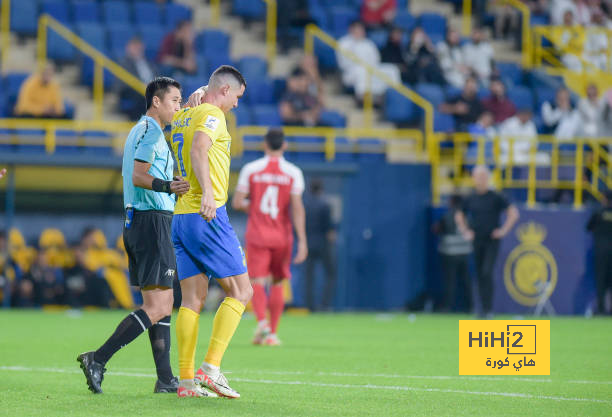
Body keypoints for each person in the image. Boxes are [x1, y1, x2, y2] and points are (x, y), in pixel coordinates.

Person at [77, 77, 189, 394]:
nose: (178, 106)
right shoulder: (152, 131)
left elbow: (142, 173)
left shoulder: (139, 130)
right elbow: (140, 175)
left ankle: (165, 379)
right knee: (158, 306)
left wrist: (169, 184)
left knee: (160, 304)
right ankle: (97, 358)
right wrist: (169, 187)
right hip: (152, 223)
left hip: (139, 221)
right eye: (175, 100)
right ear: (157, 101)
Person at [170, 65, 251, 398]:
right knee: (242, 291)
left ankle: (187, 381)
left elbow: (188, 143)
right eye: (237, 98)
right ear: (226, 91)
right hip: (207, 214)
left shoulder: (183, 116)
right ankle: (211, 368)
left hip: (180, 217)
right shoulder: (213, 114)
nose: (236, 106)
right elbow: (199, 148)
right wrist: (206, 192)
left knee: (192, 299)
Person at [232, 128, 308, 346]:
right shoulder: (293, 172)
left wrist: (254, 206)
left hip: (257, 234)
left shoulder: (251, 169)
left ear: (265, 145)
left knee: (256, 280)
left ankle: (262, 325)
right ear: (284, 146)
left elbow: (237, 202)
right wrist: (302, 240)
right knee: (278, 282)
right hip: (282, 236)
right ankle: (272, 333)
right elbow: (297, 208)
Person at [455, 165, 519, 318]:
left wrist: (503, 230)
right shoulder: (470, 198)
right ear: (473, 179)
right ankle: (481, 309)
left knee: (487, 271)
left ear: (488, 178)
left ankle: (488, 309)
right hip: (477, 239)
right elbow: (459, 215)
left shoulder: (496, 197)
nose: (481, 180)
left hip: (491, 240)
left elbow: (513, 213)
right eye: (478, 177)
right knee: (478, 273)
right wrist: (465, 230)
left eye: (484, 177)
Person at [337, 20, 401, 100]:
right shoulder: (344, 43)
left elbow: (376, 60)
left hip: (370, 70)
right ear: (351, 29)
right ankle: (362, 98)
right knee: (361, 70)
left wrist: (371, 67)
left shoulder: (369, 43)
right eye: (357, 29)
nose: (360, 32)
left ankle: (394, 95)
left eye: (361, 29)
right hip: (351, 72)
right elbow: (343, 63)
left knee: (392, 69)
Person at [433, 194, 472, 312]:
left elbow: (437, 229)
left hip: (449, 253)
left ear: (452, 202)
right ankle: (471, 306)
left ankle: (446, 307)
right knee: (466, 281)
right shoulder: (468, 217)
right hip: (465, 253)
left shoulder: (447, 216)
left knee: (450, 281)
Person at [303, 179, 337, 311]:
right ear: (321, 190)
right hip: (323, 243)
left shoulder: (305, 205)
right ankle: (325, 304)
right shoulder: (325, 204)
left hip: (308, 243)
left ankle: (309, 305)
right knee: (330, 273)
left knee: (309, 276)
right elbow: (330, 229)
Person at [119, 37, 158, 120]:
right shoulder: (124, 62)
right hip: (133, 90)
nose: (138, 50)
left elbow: (157, 76)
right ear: (128, 48)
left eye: (139, 47)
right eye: (135, 47)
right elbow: (126, 80)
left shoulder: (148, 63)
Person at [586, 190, 612, 315]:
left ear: (605, 199)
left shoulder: (598, 213)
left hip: (601, 252)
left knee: (600, 281)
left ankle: (601, 310)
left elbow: (588, 227)